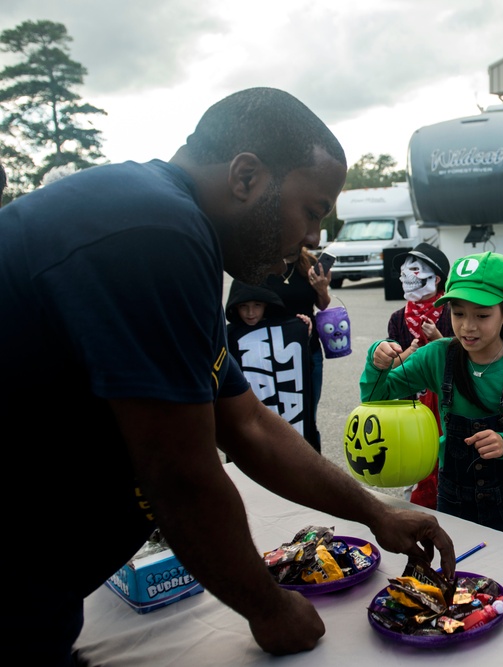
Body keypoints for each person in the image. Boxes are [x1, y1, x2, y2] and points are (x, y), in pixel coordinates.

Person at [0, 87, 455, 665]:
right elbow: (181, 476)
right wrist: (268, 607)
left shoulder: (166, 223)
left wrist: (376, 514)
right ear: (246, 177)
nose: (314, 238)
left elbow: (247, 424)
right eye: (312, 211)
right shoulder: (156, 232)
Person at [362, 252, 503, 540]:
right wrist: (376, 363)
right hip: (452, 498)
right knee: (455, 576)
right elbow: (376, 399)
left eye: (482, 315)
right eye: (458, 312)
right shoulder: (437, 356)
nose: (467, 326)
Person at [385, 242, 454, 508]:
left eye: (414, 270)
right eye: (404, 271)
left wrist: (438, 339)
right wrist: (411, 351)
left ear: (436, 279)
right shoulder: (398, 318)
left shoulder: (451, 312)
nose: (406, 277)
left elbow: (464, 357)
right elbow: (391, 367)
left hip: (446, 404)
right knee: (415, 465)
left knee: (447, 461)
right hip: (410, 408)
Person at [225, 280, 318, 449]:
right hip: (248, 415)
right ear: (235, 307)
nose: (250, 312)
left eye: (257, 305)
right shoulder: (228, 336)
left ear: (266, 305)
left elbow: (305, 368)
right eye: (243, 306)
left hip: (287, 414)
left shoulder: (289, 330)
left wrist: (303, 333)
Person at [265, 246, 331, 445]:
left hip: (308, 351)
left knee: (307, 415)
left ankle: (312, 466)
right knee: (276, 415)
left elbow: (323, 305)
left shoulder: (309, 264)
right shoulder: (267, 263)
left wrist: (322, 288)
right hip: (273, 352)